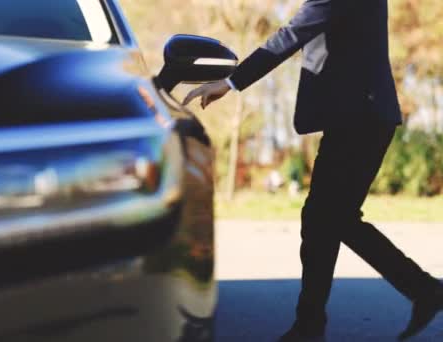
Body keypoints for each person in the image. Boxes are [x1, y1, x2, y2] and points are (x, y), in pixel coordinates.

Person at [182, 0, 443, 340]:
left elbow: (292, 33)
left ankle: (324, 320)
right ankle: (409, 294)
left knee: (328, 218)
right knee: (330, 220)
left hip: (360, 120)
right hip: (359, 117)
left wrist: (232, 82)